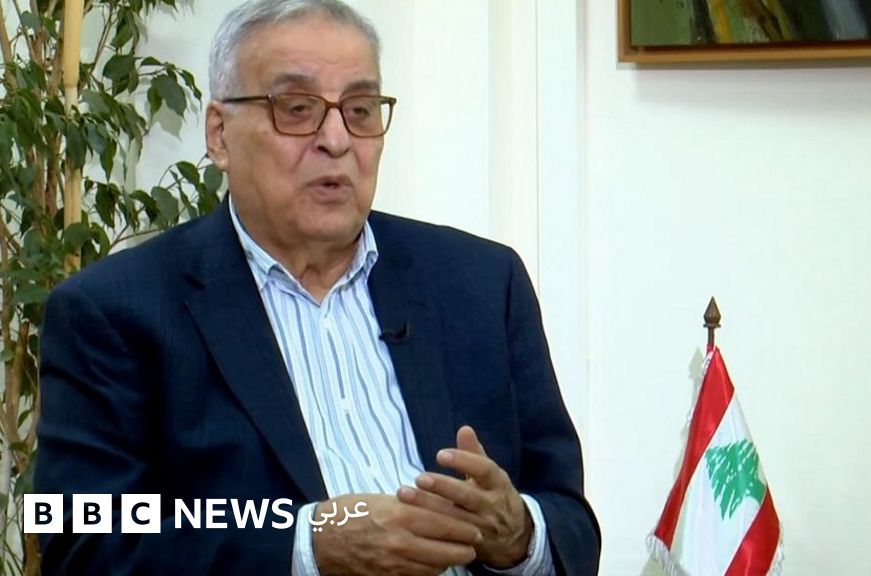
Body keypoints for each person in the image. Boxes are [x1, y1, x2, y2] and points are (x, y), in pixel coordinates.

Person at [34, 0, 600, 574]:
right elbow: (79, 534)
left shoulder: (481, 282)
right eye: (298, 109)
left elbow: (570, 521)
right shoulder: (115, 311)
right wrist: (308, 544)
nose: (336, 139)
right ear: (219, 135)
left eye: (360, 110)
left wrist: (520, 535)